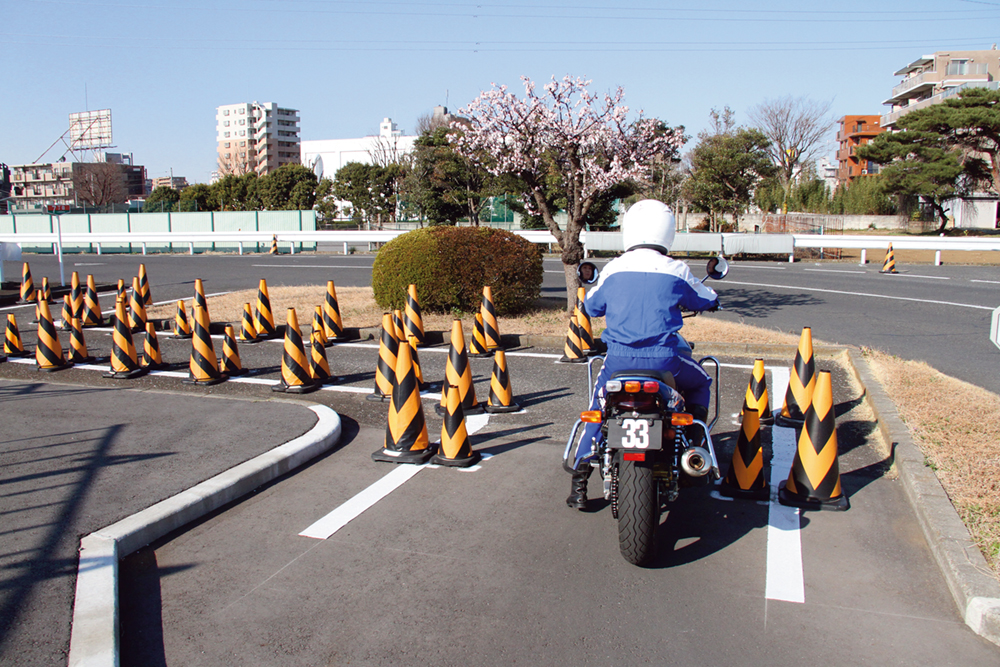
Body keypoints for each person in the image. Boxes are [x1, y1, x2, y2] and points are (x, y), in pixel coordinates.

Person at [567, 199, 720, 509]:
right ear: (668, 231)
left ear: (629, 230)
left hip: (619, 361)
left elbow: (591, 306)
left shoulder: (613, 269)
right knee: (701, 382)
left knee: (599, 406)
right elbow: (707, 297)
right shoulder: (676, 269)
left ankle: (580, 480)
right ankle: (694, 440)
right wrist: (709, 301)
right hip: (665, 361)